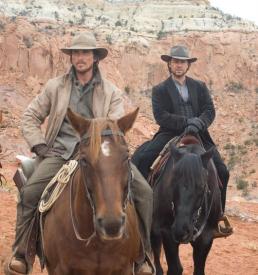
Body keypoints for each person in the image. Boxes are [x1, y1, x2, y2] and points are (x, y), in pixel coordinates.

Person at [6, 32, 153, 275]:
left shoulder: (111, 92)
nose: (80, 57)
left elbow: (114, 126)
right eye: (76, 53)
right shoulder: (55, 87)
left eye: (85, 52)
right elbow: (30, 116)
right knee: (31, 193)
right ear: (71, 57)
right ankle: (23, 252)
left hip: (99, 155)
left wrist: (102, 143)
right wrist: (40, 145)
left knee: (145, 193)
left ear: (95, 57)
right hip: (60, 153)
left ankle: (143, 256)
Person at [132, 45, 230, 224]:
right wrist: (186, 122)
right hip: (169, 133)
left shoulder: (200, 86)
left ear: (188, 65)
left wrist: (198, 123)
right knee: (140, 159)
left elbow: (209, 110)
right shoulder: (160, 89)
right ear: (169, 64)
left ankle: (217, 216)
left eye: (182, 62)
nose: (178, 65)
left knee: (222, 171)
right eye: (175, 61)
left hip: (199, 133)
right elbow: (161, 116)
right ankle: (140, 209)